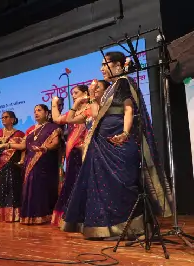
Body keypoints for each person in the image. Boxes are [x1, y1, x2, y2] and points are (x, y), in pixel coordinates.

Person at [61, 51, 173, 239]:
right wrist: (93, 97)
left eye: (106, 64)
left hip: (119, 145)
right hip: (103, 146)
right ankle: (110, 229)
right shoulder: (110, 89)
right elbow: (97, 116)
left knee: (124, 186)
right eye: (102, 65)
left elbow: (128, 109)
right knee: (106, 190)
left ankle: (136, 228)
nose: (102, 68)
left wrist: (125, 133)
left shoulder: (124, 82)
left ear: (119, 66)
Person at [0, 104, 60, 225]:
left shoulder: (53, 127)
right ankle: (29, 216)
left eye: (39, 110)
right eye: (35, 111)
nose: (36, 113)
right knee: (29, 188)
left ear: (47, 113)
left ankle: (42, 216)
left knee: (40, 188)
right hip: (29, 162)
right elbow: (22, 146)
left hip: (45, 162)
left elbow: (56, 143)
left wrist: (45, 149)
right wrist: (7, 145)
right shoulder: (31, 130)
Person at [50, 85, 90, 226]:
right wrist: (54, 103)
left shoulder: (89, 110)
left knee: (83, 183)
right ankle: (70, 217)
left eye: (76, 93)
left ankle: (83, 217)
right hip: (73, 153)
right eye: (72, 93)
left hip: (85, 152)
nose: (73, 95)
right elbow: (57, 119)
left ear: (85, 94)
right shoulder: (72, 113)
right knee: (71, 183)